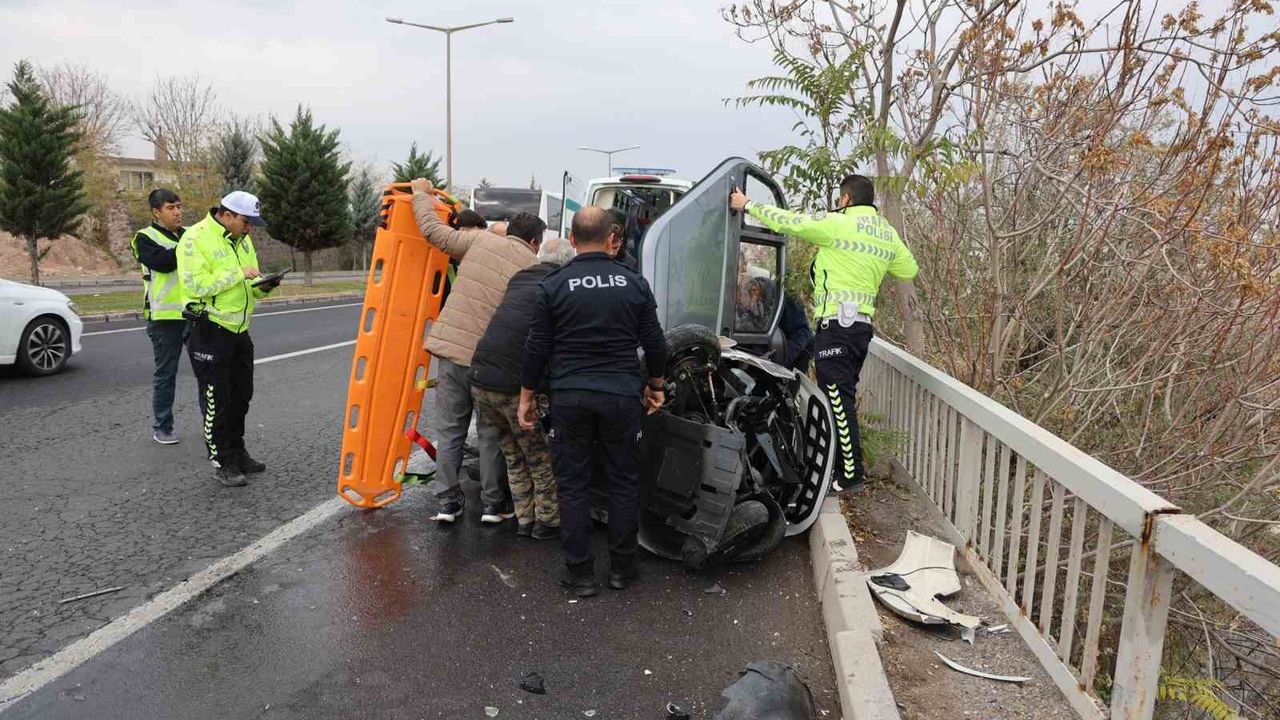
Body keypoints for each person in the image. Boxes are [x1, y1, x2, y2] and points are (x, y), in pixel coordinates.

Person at [730, 174, 918, 491]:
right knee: (841, 397)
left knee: (838, 400)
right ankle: (841, 468)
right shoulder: (886, 232)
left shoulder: (838, 223)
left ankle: (850, 475)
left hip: (837, 326)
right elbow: (908, 268)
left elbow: (792, 222)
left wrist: (748, 204)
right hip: (861, 329)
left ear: (846, 199)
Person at [518, 207, 668, 597]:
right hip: (620, 397)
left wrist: (527, 397)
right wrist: (656, 385)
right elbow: (654, 342)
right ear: (611, 239)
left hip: (570, 399)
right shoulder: (634, 283)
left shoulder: (554, 285)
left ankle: (580, 574)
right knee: (623, 482)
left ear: (571, 238)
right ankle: (621, 569)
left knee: (572, 485)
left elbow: (537, 347)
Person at [410, 177, 543, 524]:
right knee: (488, 433)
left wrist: (421, 195)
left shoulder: (477, 241)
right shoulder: (532, 267)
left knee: (450, 430)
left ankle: (447, 503)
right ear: (534, 241)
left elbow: (433, 232)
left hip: (451, 353)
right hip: (488, 362)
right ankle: (493, 505)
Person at [470, 237, 576, 540]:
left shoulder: (520, 277)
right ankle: (547, 522)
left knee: (512, 454)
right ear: (567, 263)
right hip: (511, 385)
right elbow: (546, 343)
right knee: (539, 455)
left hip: (480, 377)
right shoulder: (559, 287)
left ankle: (524, 519)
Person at [177, 191, 282, 487]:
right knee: (217, 401)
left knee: (241, 396)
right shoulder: (195, 239)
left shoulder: (243, 240)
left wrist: (266, 286)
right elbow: (194, 285)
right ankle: (222, 461)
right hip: (209, 330)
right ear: (227, 215)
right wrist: (238, 273)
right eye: (246, 222)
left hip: (239, 331)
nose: (250, 228)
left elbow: (251, 287)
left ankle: (238, 452)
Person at [131, 188, 188, 445]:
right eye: (170, 208)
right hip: (164, 318)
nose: (177, 212)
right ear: (156, 212)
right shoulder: (144, 238)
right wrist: (190, 247)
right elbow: (163, 262)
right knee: (166, 374)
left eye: (179, 206)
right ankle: (163, 427)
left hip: (194, 314)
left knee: (208, 373)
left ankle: (214, 425)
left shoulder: (189, 235)